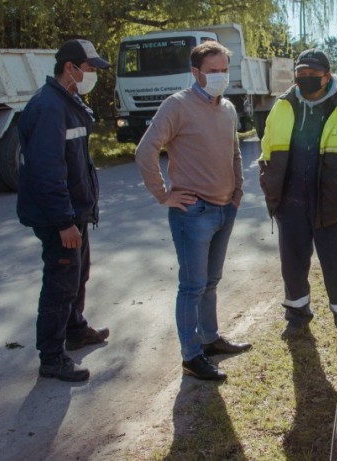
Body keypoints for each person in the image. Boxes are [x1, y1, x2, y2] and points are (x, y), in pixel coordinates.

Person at [135, 41, 251, 381]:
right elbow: (145, 150)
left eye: (224, 70)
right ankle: (191, 356)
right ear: (195, 72)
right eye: (213, 71)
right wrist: (162, 194)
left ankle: (210, 339)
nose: (220, 77)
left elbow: (234, 152)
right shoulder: (178, 105)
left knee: (211, 282)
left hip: (226, 207)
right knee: (192, 286)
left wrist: (238, 192)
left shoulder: (227, 108)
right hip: (193, 211)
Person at [258, 49, 337, 341]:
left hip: (333, 207)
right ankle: (297, 318)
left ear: (327, 76)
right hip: (291, 206)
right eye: (301, 73)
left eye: (313, 74)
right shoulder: (282, 106)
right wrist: (269, 183)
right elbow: (266, 151)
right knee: (292, 268)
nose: (306, 78)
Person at [17, 39, 111, 382]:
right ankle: (52, 357)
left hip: (75, 212)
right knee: (60, 285)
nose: (92, 75)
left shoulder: (68, 102)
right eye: (89, 68)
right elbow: (47, 172)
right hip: (60, 217)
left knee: (77, 275)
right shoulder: (48, 108)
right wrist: (64, 222)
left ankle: (75, 329)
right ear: (70, 68)